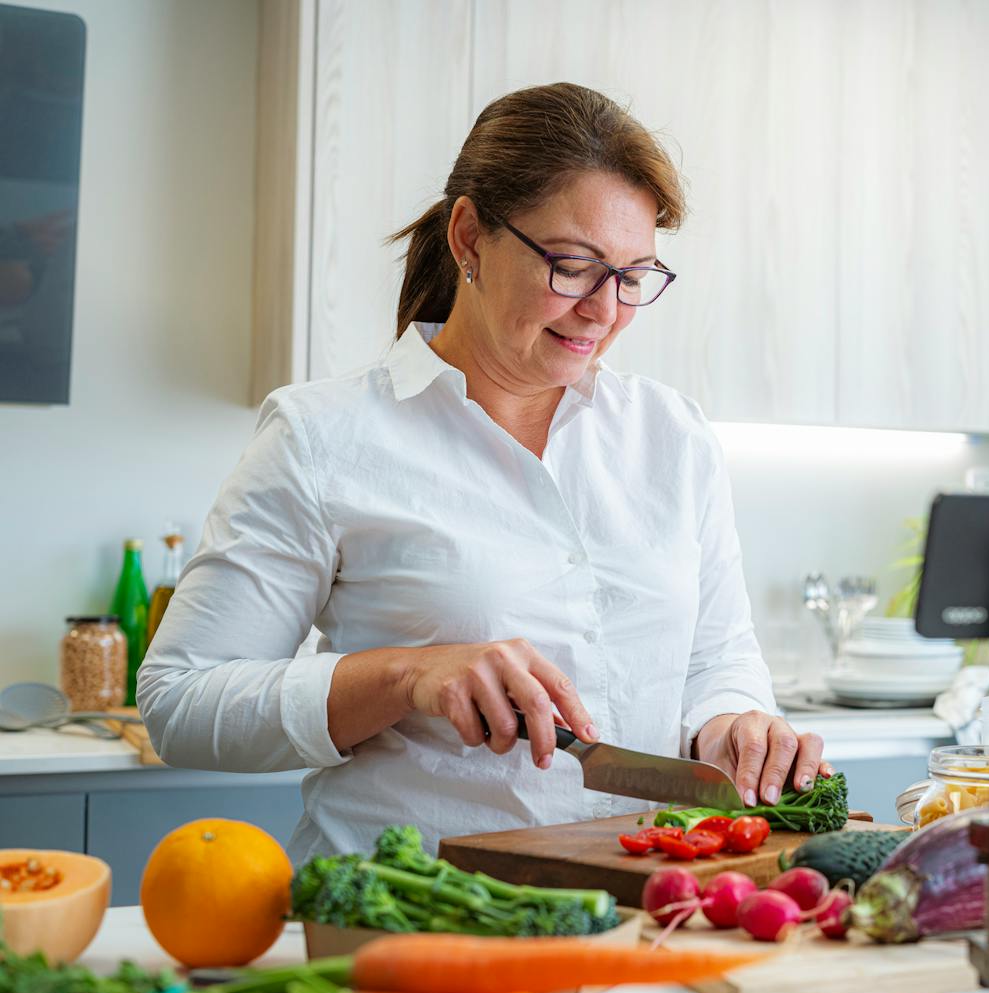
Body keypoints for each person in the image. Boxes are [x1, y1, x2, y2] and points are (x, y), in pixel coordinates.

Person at [139, 83, 827, 861]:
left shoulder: (672, 435)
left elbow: (717, 655)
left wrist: (733, 720)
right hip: (413, 919)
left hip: (644, 910)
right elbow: (181, 701)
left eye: (633, 277)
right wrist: (405, 675)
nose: (604, 311)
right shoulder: (323, 437)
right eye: (574, 266)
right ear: (470, 236)